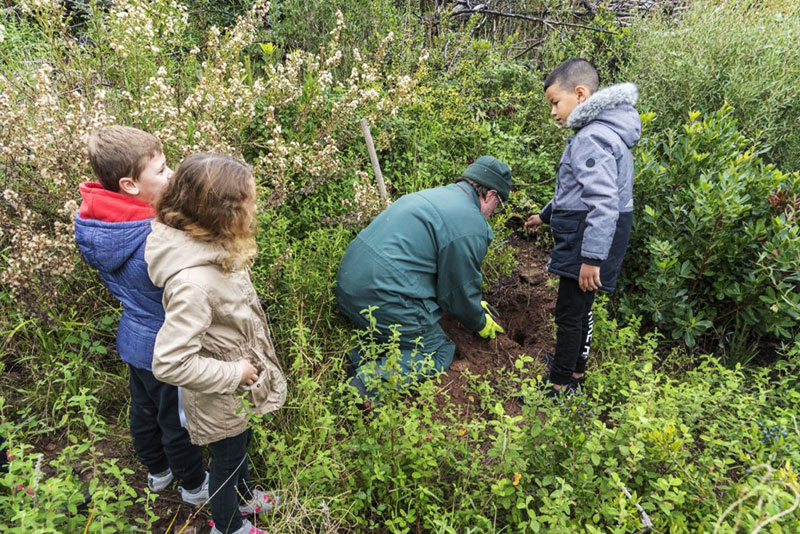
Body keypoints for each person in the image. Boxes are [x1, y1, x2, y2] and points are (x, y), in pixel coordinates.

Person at [146, 152, 287, 534]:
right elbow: (170, 363)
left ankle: (244, 499)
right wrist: (234, 372)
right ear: (220, 213)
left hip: (235, 389)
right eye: (247, 203)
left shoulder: (210, 248)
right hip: (219, 393)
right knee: (225, 463)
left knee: (239, 450)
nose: (252, 209)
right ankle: (227, 525)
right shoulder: (193, 283)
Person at [73, 125, 209, 502]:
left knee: (145, 409)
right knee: (177, 420)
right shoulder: (150, 239)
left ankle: (157, 472)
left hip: (134, 336)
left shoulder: (98, 221)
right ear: (130, 184)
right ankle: (194, 487)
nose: (171, 174)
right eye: (162, 170)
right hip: (165, 344)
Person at [336, 156, 512, 401]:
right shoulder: (471, 223)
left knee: (397, 335)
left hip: (347, 286)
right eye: (498, 205)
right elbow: (456, 292)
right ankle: (367, 385)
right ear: (490, 195)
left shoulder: (432, 196)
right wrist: (478, 320)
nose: (493, 213)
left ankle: (355, 361)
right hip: (382, 293)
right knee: (437, 350)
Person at [525, 58, 641, 397]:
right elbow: (576, 190)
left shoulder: (591, 137)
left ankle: (561, 383)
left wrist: (591, 258)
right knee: (581, 308)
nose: (552, 112)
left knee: (569, 312)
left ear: (580, 94)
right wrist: (545, 216)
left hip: (587, 237)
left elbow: (602, 202)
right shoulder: (607, 132)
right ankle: (573, 367)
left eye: (555, 102)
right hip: (596, 232)